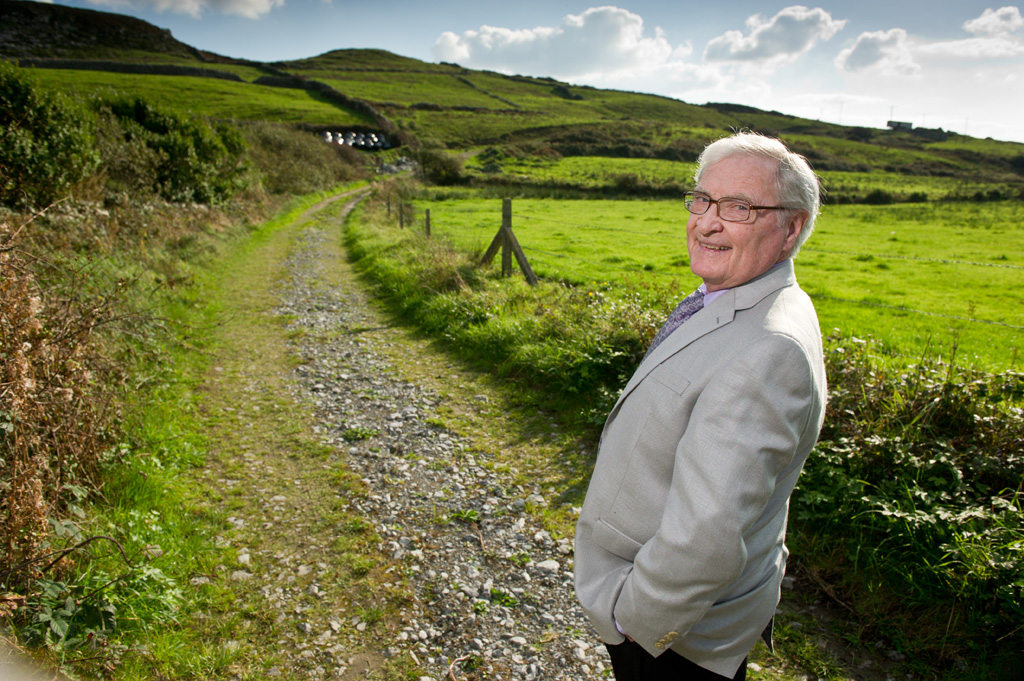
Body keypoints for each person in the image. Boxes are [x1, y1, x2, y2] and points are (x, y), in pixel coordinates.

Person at [574, 131, 827, 681]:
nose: (708, 221)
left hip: (675, 638)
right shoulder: (739, 295)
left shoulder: (768, 350)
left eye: (739, 207)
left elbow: (707, 534)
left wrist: (635, 621)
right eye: (704, 199)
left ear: (792, 228)